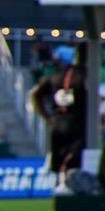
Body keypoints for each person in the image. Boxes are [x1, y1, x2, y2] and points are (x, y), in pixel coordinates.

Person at [30, 47, 87, 194]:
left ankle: (59, 185)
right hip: (78, 123)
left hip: (57, 122)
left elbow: (35, 95)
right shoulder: (85, 75)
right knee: (75, 157)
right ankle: (71, 184)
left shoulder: (55, 76)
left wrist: (46, 116)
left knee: (59, 156)